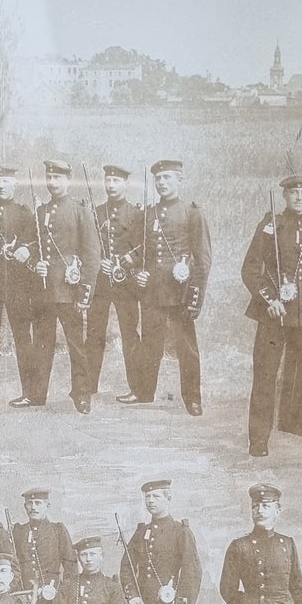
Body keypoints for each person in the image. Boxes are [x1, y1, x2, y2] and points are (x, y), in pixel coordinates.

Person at [241, 174, 302, 453]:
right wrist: (269, 300)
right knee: (265, 374)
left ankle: (292, 426)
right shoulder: (271, 225)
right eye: (294, 193)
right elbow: (251, 269)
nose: (299, 197)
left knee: (299, 372)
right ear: (285, 196)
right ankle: (258, 439)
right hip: (274, 314)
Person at [128, 158, 209, 416]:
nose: (162, 183)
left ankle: (193, 399)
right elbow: (139, 253)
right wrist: (137, 273)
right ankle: (144, 392)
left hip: (180, 292)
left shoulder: (192, 213)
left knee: (186, 348)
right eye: (158, 179)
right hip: (152, 291)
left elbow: (203, 260)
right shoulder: (149, 214)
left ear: (180, 180)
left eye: (168, 178)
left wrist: (195, 297)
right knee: (150, 344)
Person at [21, 158, 99, 413]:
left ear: (68, 180)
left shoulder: (80, 211)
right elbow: (32, 249)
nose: (53, 182)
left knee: (76, 344)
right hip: (44, 291)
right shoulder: (40, 213)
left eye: (58, 178)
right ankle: (36, 395)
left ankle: (82, 394)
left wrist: (85, 292)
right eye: (49, 177)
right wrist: (35, 265)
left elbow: (91, 255)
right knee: (41, 344)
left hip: (70, 290)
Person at [90, 163, 144, 400]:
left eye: (116, 181)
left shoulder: (136, 214)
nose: (111, 186)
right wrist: (98, 261)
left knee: (129, 334)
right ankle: (89, 387)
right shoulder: (96, 212)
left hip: (126, 285)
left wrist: (125, 263)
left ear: (126, 184)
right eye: (108, 181)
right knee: (94, 333)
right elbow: (88, 245)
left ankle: (136, 389)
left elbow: (144, 248)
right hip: (101, 284)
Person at [0, 164, 39, 401]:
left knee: (22, 338)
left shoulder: (24, 213)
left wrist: (26, 250)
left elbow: (36, 241)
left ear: (15, 184)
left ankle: (30, 392)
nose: (1, 186)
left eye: (6, 181)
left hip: (18, 284)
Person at [12, 487, 77, 604]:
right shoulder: (18, 531)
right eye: (30, 503)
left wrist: (64, 594)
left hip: (51, 595)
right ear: (25, 507)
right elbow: (12, 565)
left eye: (38, 503)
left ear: (47, 505)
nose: (33, 507)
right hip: (24, 595)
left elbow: (71, 566)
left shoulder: (57, 530)